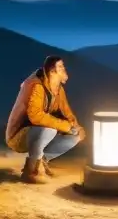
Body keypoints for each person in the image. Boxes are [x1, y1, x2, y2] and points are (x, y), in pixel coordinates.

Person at [5, 55, 85, 183]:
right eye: (60, 67)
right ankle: (31, 171)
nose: (64, 69)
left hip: (37, 132)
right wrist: (65, 126)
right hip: (18, 136)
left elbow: (67, 113)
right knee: (50, 130)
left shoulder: (58, 89)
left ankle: (42, 160)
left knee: (75, 136)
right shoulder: (37, 86)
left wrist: (76, 127)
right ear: (52, 72)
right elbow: (35, 116)